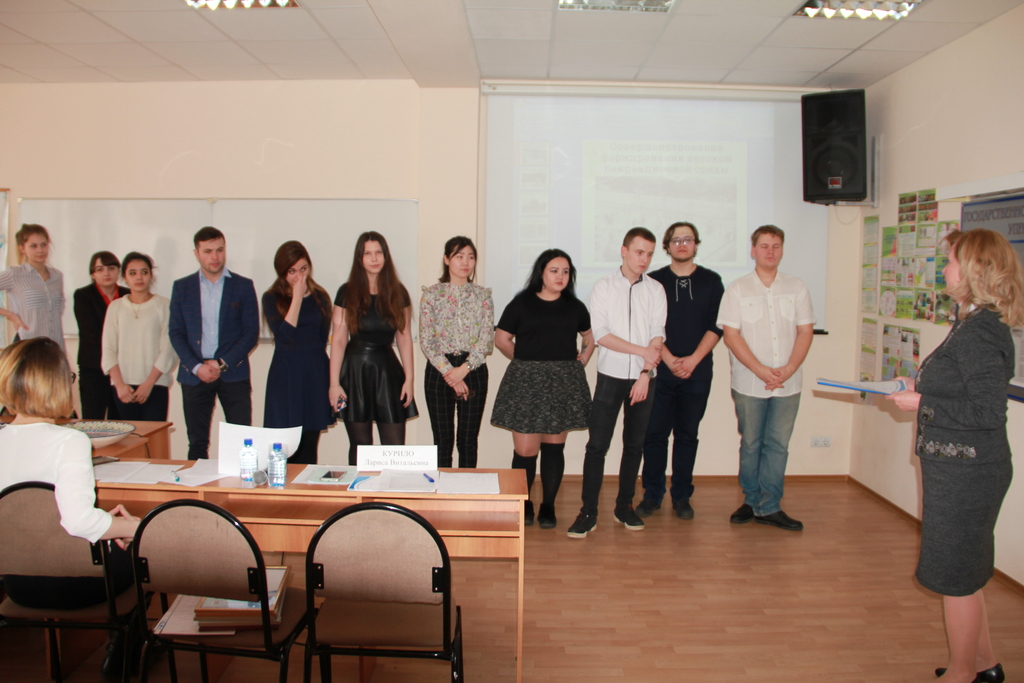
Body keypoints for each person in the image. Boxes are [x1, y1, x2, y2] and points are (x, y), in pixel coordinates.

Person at [887, 229, 1021, 683]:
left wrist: (922, 402)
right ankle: (985, 666)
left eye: (950, 261)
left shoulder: (981, 332)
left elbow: (987, 412)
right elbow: (961, 390)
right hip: (957, 469)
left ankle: (961, 674)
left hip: (968, 474)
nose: (944, 269)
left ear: (974, 271)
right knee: (966, 572)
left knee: (955, 577)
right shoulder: (971, 323)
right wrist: (917, 387)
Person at [0, 337, 139, 677]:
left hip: (17, 584)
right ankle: (125, 654)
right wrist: (134, 527)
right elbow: (78, 523)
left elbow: (33, 512)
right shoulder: (70, 441)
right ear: (59, 384)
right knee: (143, 552)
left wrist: (102, 521)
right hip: (75, 585)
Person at [567, 228, 666, 539]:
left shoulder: (656, 289)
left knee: (634, 445)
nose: (644, 259)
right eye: (639, 252)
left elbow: (657, 334)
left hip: (644, 379)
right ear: (624, 251)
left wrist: (645, 373)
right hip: (610, 377)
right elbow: (602, 335)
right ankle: (588, 512)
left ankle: (624, 506)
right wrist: (642, 352)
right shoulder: (604, 287)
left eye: (649, 254)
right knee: (597, 446)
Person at [718, 225, 814, 531]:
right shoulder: (737, 289)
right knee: (751, 444)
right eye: (764, 246)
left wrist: (789, 368)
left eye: (775, 246)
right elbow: (731, 336)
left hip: (788, 383)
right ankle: (751, 500)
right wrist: (760, 370)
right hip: (749, 382)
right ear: (753, 251)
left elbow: (805, 331)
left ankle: (770, 506)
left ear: (782, 250)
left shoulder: (796, 287)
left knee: (778, 446)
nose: (770, 251)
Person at [492, 249, 595, 529]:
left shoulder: (575, 307)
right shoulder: (521, 303)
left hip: (563, 382)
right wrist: (525, 361)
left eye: (565, 271)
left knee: (553, 446)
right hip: (526, 382)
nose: (560, 276)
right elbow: (501, 339)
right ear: (541, 272)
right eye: (554, 270)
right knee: (525, 450)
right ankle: (523, 503)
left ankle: (548, 506)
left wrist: (584, 356)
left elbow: (588, 336)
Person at [638, 222, 724, 521]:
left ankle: (682, 496)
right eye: (676, 240)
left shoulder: (712, 281)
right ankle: (652, 495)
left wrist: (692, 360)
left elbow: (716, 325)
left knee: (687, 435)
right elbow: (648, 326)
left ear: (696, 244)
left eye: (688, 239)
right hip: (660, 371)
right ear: (667, 246)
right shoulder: (653, 280)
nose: (682, 244)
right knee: (654, 435)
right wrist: (671, 359)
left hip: (697, 372)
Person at [168, 227, 259, 460]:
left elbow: (251, 333)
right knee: (197, 443)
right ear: (196, 253)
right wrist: (197, 367)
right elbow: (176, 333)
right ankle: (197, 484)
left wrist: (222, 363)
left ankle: (239, 483)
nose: (215, 256)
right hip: (194, 375)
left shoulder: (243, 286)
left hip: (233, 373)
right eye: (208, 251)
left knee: (241, 441)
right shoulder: (182, 287)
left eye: (219, 250)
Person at [329, 231, 417, 466]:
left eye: (379, 252)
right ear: (360, 258)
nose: (374, 258)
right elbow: (339, 340)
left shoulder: (399, 292)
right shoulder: (346, 292)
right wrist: (334, 383)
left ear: (386, 256)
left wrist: (409, 379)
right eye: (368, 253)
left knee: (395, 448)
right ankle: (359, 489)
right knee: (360, 447)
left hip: (388, 371)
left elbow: (404, 338)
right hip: (354, 372)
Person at [419, 236, 494, 469]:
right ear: (446, 259)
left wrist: (464, 370)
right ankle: (441, 487)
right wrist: (451, 373)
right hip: (439, 370)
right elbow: (427, 340)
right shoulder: (431, 294)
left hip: (474, 369)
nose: (465, 262)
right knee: (442, 440)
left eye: (470, 257)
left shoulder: (483, 295)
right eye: (459, 256)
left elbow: (486, 340)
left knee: (468, 440)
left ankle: (467, 488)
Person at [263, 241, 335, 464]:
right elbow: (284, 336)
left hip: (314, 372)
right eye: (292, 271)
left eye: (303, 269)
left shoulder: (321, 296)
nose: (299, 276)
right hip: (286, 375)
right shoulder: (271, 297)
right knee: (285, 445)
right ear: (282, 272)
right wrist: (296, 297)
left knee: (310, 443)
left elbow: (322, 338)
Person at [101, 253, 177, 421]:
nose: (139, 277)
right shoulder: (116, 307)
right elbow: (108, 349)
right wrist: (119, 385)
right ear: (124, 278)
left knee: (154, 436)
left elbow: (169, 349)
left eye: (144, 272)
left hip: (155, 385)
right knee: (128, 436)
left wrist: (148, 384)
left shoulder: (164, 305)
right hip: (123, 388)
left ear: (151, 275)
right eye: (133, 273)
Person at [74, 251, 128, 419]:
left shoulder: (128, 294)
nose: (106, 273)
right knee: (93, 420)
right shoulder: (83, 296)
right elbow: (91, 332)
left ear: (118, 271)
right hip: (94, 369)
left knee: (120, 422)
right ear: (93, 274)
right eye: (100, 269)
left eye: (111, 268)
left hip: (123, 369)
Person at [0, 224, 66, 352]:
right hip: (28, 347)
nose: (40, 250)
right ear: (22, 248)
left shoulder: (57, 276)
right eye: (33, 246)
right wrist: (11, 315)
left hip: (55, 347)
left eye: (43, 244)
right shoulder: (14, 274)